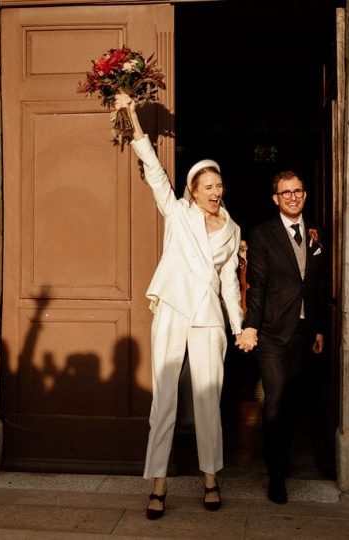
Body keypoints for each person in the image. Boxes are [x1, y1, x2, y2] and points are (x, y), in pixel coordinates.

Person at [116, 94, 247, 519]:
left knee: (210, 399)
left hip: (208, 318)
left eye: (219, 185)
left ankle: (211, 477)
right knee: (165, 399)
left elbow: (229, 282)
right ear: (192, 191)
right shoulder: (177, 213)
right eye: (207, 187)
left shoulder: (232, 228)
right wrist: (131, 116)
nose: (215, 191)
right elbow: (154, 171)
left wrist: (238, 326)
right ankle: (158, 484)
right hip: (173, 308)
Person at [237, 171, 326, 504]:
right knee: (274, 401)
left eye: (298, 191)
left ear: (304, 195)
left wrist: (318, 328)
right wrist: (251, 326)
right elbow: (256, 285)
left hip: (303, 331)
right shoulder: (262, 235)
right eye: (285, 193)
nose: (292, 197)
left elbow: (314, 285)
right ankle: (276, 474)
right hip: (272, 331)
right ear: (275, 198)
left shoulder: (316, 235)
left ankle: (282, 456)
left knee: (292, 401)